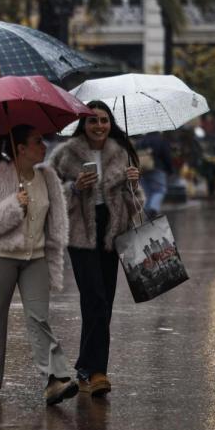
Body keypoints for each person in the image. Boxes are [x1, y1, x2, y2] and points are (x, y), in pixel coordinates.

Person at [0, 124, 78, 406]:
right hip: (2, 257)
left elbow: (56, 224)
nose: (44, 146)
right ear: (20, 148)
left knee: (39, 317)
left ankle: (54, 379)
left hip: (36, 258)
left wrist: (55, 258)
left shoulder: (48, 176)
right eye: (37, 141)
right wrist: (13, 205)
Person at [50, 101, 143, 398]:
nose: (99, 126)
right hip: (80, 232)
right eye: (92, 121)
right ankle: (96, 371)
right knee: (95, 297)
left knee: (105, 301)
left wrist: (133, 184)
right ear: (83, 124)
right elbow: (51, 197)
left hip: (112, 232)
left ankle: (88, 368)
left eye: (103, 120)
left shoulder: (122, 152)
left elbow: (136, 203)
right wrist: (74, 188)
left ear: (110, 122)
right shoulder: (66, 154)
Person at [135, 131, 173, 218]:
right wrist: (170, 170)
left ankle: (147, 211)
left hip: (142, 170)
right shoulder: (161, 141)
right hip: (157, 169)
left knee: (147, 192)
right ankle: (153, 209)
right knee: (160, 190)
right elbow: (167, 156)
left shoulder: (140, 141)